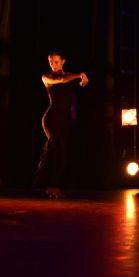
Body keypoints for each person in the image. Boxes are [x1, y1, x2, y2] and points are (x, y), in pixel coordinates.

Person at [34, 51, 89, 198]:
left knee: (60, 151)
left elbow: (72, 97)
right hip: (51, 118)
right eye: (51, 62)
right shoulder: (47, 77)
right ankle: (51, 186)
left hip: (65, 119)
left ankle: (48, 185)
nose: (53, 64)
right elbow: (63, 80)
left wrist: (73, 114)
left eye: (56, 62)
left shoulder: (69, 75)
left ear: (63, 61)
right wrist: (80, 75)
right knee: (58, 149)